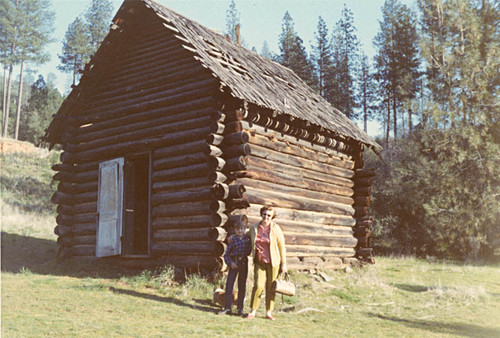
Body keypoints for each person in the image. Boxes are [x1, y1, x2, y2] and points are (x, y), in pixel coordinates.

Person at [246, 205, 287, 320]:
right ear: (261, 214)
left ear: (272, 217)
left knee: (270, 287)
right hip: (259, 262)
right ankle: (253, 311)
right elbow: (246, 237)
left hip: (273, 263)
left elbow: (281, 246)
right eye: (264, 214)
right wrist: (233, 237)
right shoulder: (254, 227)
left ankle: (268, 312)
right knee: (258, 285)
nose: (266, 217)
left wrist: (284, 263)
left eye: (269, 215)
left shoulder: (276, 228)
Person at [218, 222, 251, 316]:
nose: (240, 231)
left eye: (242, 229)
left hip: (244, 263)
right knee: (229, 285)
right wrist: (230, 263)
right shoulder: (233, 239)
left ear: (245, 229)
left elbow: (251, 248)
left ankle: (240, 309)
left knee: (242, 286)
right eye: (237, 229)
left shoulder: (247, 239)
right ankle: (227, 308)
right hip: (234, 263)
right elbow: (227, 254)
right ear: (235, 230)